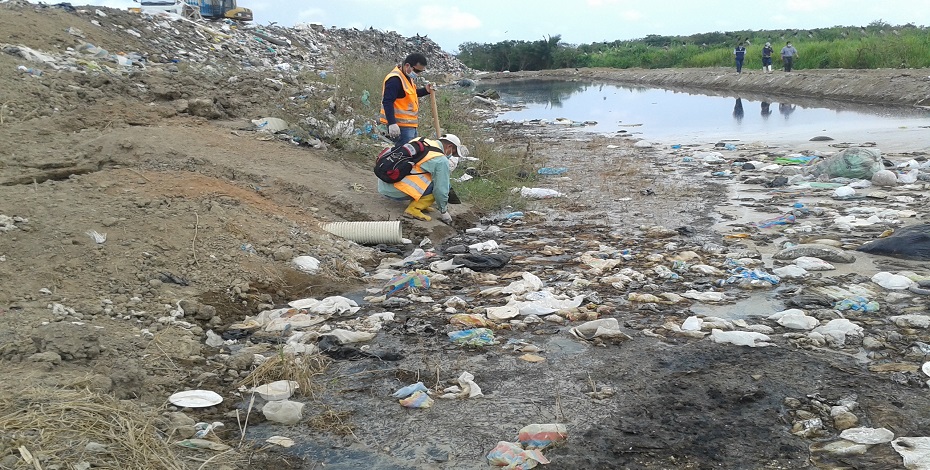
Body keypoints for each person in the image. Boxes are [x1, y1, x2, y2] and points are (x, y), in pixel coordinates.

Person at [377, 134, 469, 223]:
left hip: (384, 184)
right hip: (395, 191)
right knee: (440, 186)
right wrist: (443, 212)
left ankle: (420, 202)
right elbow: (441, 190)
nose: (451, 155)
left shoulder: (420, 140)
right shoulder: (441, 160)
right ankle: (413, 209)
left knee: (423, 173)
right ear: (449, 146)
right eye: (453, 152)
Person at [380, 53, 435, 148]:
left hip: (410, 125)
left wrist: (426, 90)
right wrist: (392, 123)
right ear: (407, 65)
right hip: (401, 126)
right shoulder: (395, 79)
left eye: (420, 72)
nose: (417, 74)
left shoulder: (407, 77)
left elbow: (410, 94)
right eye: (417, 70)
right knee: (403, 155)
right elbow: (387, 101)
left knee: (410, 153)